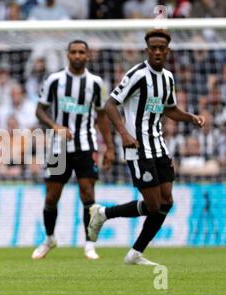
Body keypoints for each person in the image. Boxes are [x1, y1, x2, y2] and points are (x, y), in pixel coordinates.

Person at [88, 29, 206, 265]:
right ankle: (102, 214)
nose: (158, 52)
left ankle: (135, 253)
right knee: (154, 206)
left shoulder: (168, 78)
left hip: (159, 146)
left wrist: (191, 117)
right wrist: (124, 134)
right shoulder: (137, 74)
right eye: (154, 48)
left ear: (168, 51)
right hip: (138, 147)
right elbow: (110, 104)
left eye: (162, 48)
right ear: (147, 50)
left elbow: (169, 109)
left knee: (167, 202)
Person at [31, 40, 115, 261]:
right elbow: (40, 110)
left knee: (88, 194)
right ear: (68, 55)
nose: (78, 55)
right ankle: (49, 238)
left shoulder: (96, 83)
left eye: (82, 52)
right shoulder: (54, 80)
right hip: (58, 147)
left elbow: (102, 116)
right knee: (52, 197)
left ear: (87, 56)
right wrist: (56, 126)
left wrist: (110, 147)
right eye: (74, 52)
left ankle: (89, 244)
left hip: (86, 146)